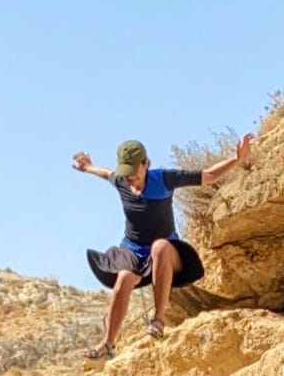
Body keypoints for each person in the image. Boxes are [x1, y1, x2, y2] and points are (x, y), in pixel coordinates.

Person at [72, 133, 253, 357]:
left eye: (134, 172)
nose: (130, 179)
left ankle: (158, 320)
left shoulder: (164, 179)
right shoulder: (121, 181)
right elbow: (106, 174)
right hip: (133, 249)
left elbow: (207, 176)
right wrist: (88, 166)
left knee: (159, 247)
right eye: (125, 173)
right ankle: (108, 344)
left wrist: (237, 158)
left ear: (146, 164)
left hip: (167, 252)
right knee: (123, 278)